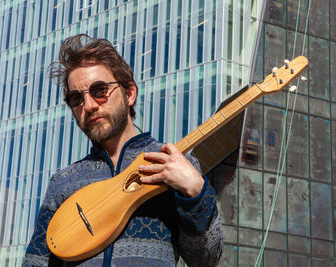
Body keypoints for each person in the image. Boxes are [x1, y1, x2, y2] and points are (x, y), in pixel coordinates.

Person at [23, 34, 223, 267]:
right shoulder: (63, 182)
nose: (88, 105)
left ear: (129, 93)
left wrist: (196, 192)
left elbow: (206, 259)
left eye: (99, 90)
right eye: (76, 98)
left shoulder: (174, 163)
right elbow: (35, 263)